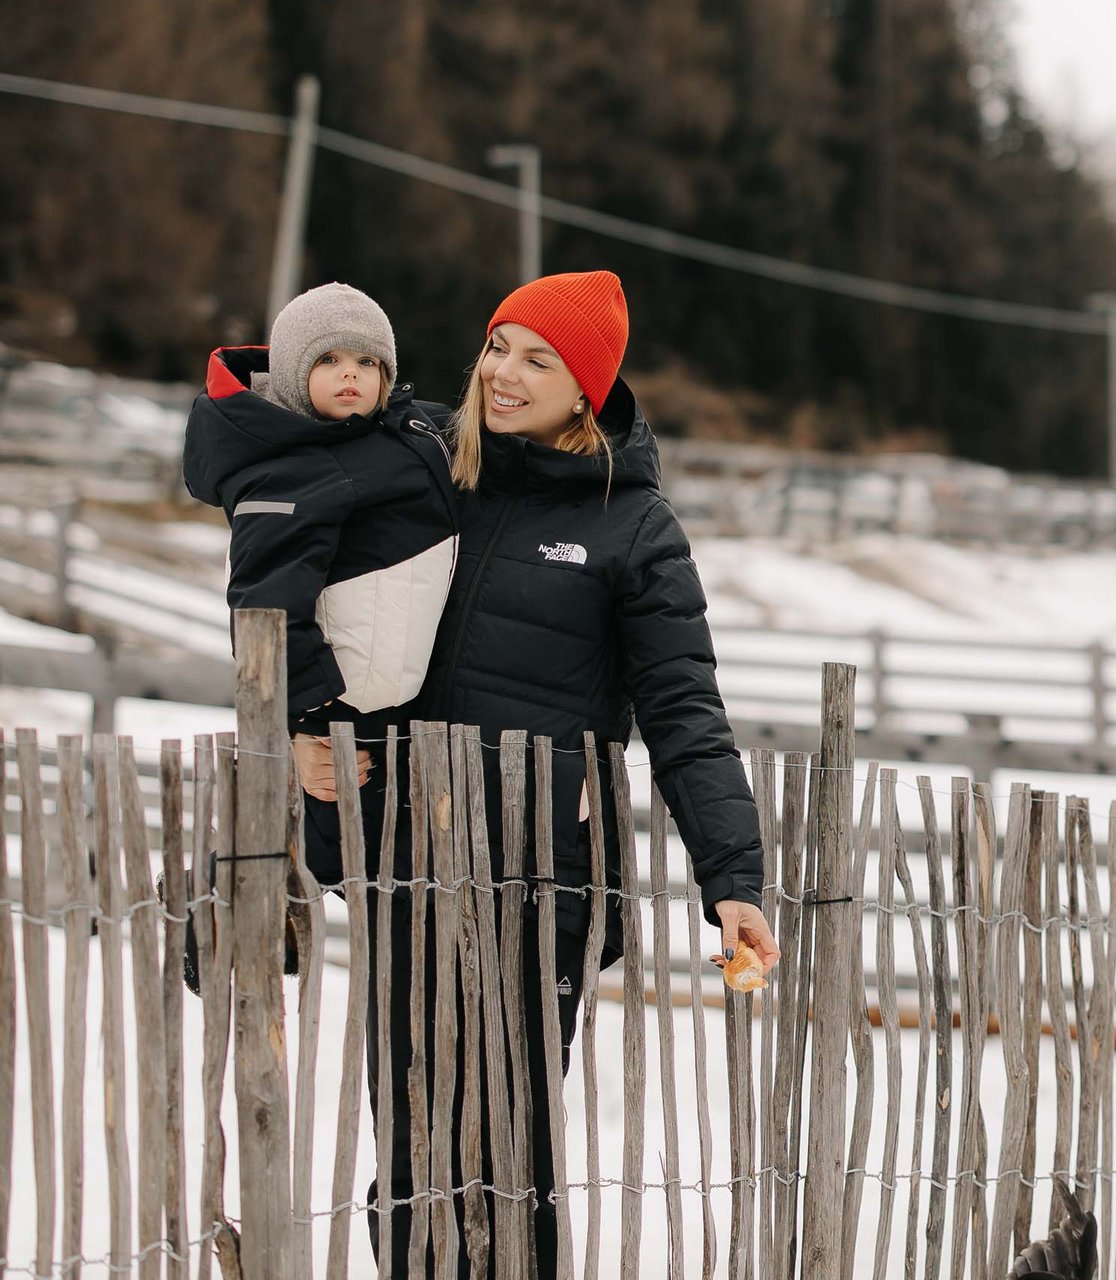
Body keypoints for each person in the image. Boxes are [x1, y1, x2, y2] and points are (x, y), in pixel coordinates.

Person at [345, 269, 780, 1275]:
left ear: (585, 386)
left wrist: (733, 878)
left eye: (538, 359)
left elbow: (684, 712)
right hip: (411, 866)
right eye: (498, 344)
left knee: (504, 1152)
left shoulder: (633, 526)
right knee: (410, 1144)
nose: (503, 373)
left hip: (538, 888)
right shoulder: (427, 477)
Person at [183, 281, 458, 887]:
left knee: (387, 859)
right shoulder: (284, 469)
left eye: (367, 362)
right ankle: (219, 897)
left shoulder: (409, 434)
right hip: (340, 702)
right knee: (331, 853)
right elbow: (264, 606)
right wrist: (308, 719)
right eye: (328, 360)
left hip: (404, 701)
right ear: (289, 373)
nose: (351, 375)